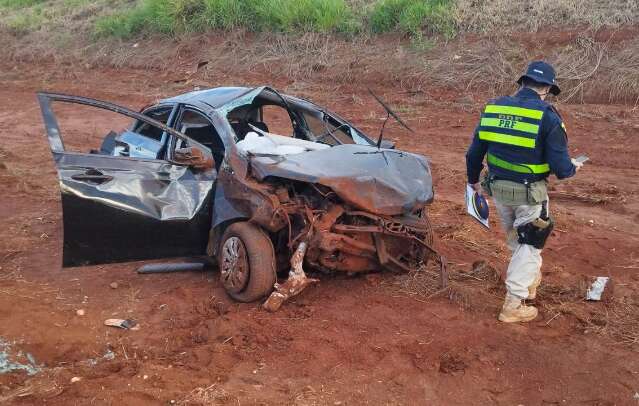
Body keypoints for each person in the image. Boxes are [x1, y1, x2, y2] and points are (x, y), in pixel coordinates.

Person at [465, 61, 583, 323]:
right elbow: (562, 169)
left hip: (498, 191)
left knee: (518, 241)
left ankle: (528, 284)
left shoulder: (493, 108)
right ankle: (513, 304)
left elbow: (474, 153)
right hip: (530, 194)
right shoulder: (548, 116)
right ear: (547, 88)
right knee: (530, 244)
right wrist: (573, 167)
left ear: (522, 83)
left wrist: (473, 181)